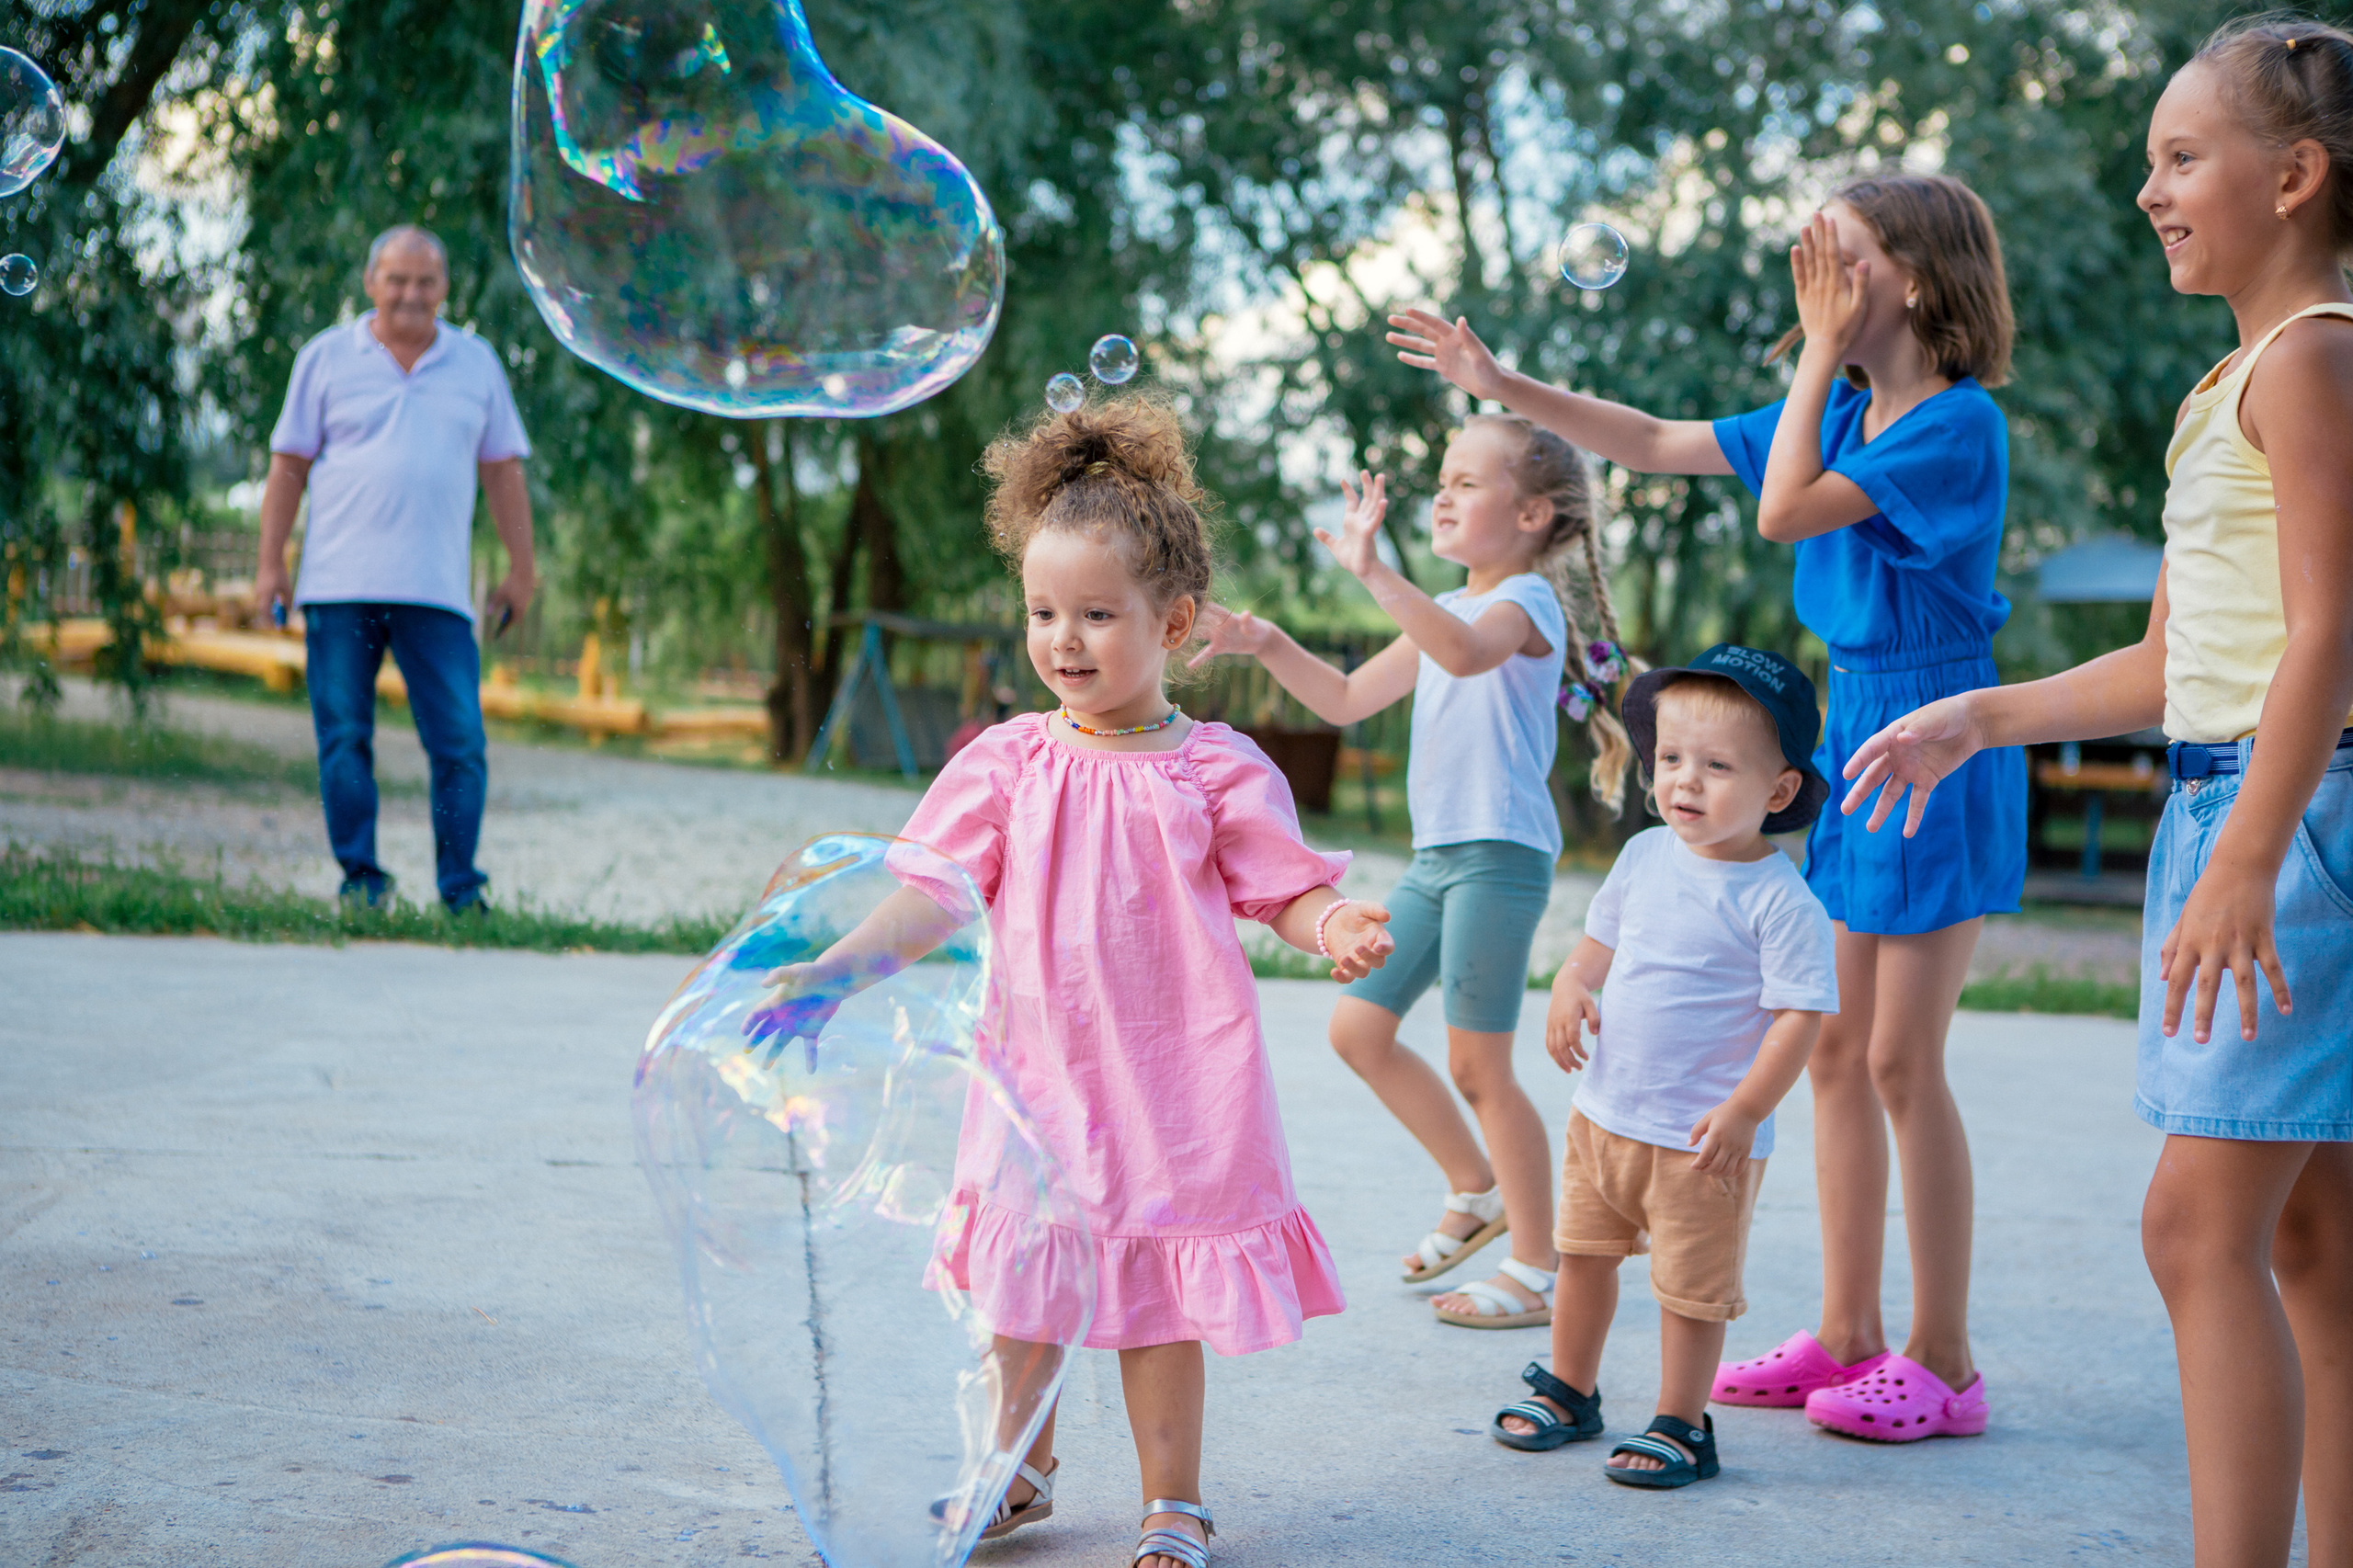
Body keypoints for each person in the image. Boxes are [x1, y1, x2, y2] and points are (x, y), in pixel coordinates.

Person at [1390, 172, 2019, 1433]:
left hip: (1941, 733)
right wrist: (1505, 387)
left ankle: (1942, 1358)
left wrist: (1822, 353)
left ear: (1917, 275)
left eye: (1837, 257)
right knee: (1834, 1049)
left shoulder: (1955, 427)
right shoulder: (1835, 404)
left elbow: (1784, 508)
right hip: (1857, 728)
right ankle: (1846, 1332)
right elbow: (1654, 440)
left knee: (1902, 1057)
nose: (1811, 280)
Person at [1841, 19, 2353, 1562]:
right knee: (2313, 1242)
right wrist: (1975, 716)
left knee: (2193, 1229)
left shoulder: (2319, 352)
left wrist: (2252, 855)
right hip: (2251, 804)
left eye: (2182, 157)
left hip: (2293, 814)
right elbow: (2179, 653)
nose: (2151, 191)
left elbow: (2332, 628)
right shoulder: (2245, 373)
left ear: (2301, 172)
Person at [756, 395, 1393, 1568]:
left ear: (1178, 620)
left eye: (1098, 614)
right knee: (1025, 1292)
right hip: (1037, 1074)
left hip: (1175, 1076)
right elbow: (932, 897)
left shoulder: (1216, 769)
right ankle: (1019, 1468)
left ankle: (1172, 1501)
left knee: (1155, 1304)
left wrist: (1337, 917)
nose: (1064, 638)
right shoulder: (1006, 760)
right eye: (1044, 611)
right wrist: (833, 971)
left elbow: (1280, 890)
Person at [1189, 415, 1636, 1330]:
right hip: (1440, 858)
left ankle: (1536, 1263)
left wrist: (1372, 573)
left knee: (1479, 1064)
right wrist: (1267, 640)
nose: (1443, 492)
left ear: (1532, 513)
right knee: (1359, 1028)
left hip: (1499, 855)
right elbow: (1350, 699)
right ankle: (1474, 1188)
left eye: (1468, 481)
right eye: (1443, 475)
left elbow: (1468, 654)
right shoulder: (1450, 607)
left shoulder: (1525, 605)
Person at [1489, 646, 1838, 1488]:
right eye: (1672, 759)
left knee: (1690, 1291)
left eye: (1718, 766)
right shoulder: (1644, 857)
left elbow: (1800, 1019)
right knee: (1581, 1257)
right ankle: (1570, 1389)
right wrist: (1571, 987)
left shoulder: (1780, 901)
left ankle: (1682, 1421)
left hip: (1703, 1138)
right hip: (1604, 1113)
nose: (1685, 781)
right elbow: (1594, 950)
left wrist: (1749, 1108)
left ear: (1779, 791)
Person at [256, 223, 536, 914]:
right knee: (345, 738)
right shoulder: (324, 357)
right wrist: (270, 564)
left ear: (445, 289)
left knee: (461, 744)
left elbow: (503, 473)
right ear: (371, 282)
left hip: (437, 593)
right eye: (397, 279)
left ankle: (460, 891)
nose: (411, 293)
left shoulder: (478, 364)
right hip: (337, 586)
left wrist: (521, 569)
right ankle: (362, 880)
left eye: (426, 281)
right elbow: (288, 467)